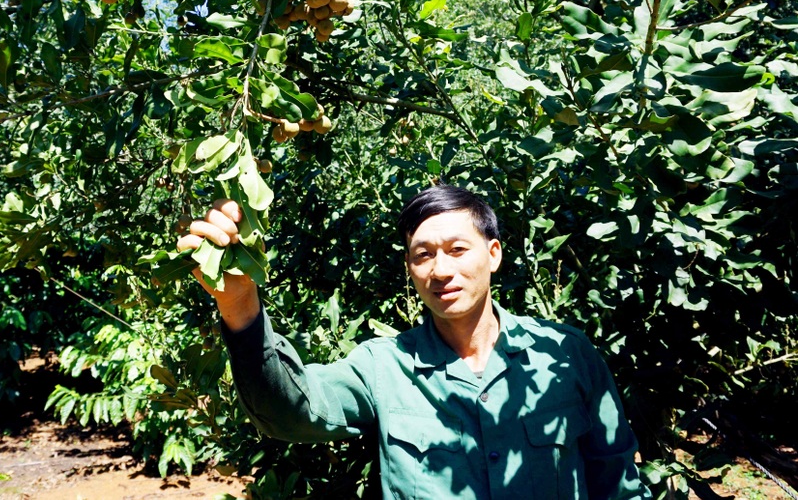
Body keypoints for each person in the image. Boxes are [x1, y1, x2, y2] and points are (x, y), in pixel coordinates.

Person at [177, 185, 650, 499]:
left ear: (494, 254)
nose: (440, 270)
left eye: (457, 250)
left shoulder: (565, 355)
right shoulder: (383, 366)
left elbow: (618, 480)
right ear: (410, 269)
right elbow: (292, 412)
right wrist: (239, 305)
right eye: (423, 255)